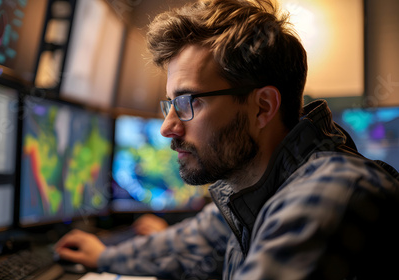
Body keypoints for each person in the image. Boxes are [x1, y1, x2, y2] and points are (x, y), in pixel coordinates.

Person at [55, 0, 399, 279]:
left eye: (188, 102)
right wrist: (103, 255)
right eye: (170, 105)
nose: (167, 127)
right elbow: (190, 244)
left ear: (262, 107)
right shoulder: (255, 188)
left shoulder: (330, 193)